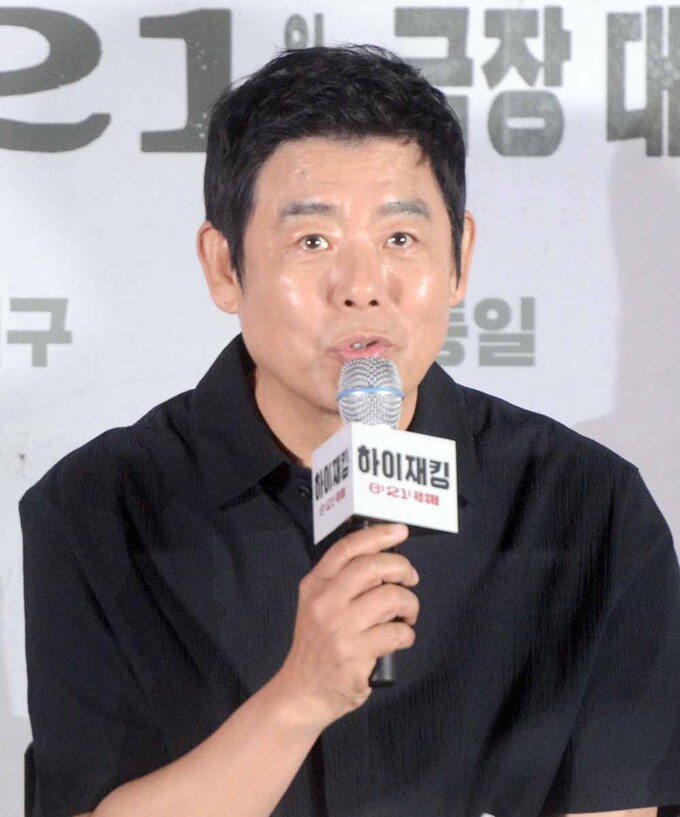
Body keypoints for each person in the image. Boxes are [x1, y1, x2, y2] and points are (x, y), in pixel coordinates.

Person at [20, 45, 680, 817]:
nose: (363, 287)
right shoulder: (97, 507)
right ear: (225, 266)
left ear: (460, 257)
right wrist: (301, 695)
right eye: (314, 241)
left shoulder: (586, 506)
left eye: (400, 238)